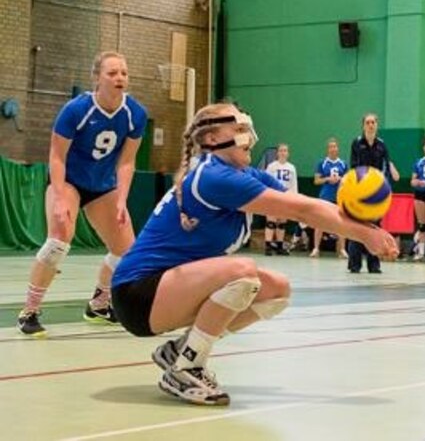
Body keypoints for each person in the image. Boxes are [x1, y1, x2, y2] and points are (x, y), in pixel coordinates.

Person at [111, 103, 399, 406]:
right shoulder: (215, 177)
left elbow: (307, 205)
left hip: (170, 288)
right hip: (137, 295)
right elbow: (300, 210)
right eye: (237, 130)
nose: (247, 135)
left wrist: (369, 229)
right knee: (242, 272)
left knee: (276, 289)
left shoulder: (244, 174)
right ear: (211, 140)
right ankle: (186, 369)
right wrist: (367, 235)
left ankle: (182, 349)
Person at [16, 51, 147, 337]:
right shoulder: (76, 109)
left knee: (127, 249)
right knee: (59, 240)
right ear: (97, 78)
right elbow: (57, 156)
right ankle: (30, 311)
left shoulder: (135, 113)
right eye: (112, 73)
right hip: (70, 182)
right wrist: (61, 197)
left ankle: (99, 304)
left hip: (103, 187)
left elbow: (126, 162)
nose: (120, 78)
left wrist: (122, 199)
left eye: (124, 73)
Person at [347, 113, 400, 273]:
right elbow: (354, 167)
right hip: (360, 190)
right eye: (368, 122)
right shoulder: (356, 143)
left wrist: (382, 186)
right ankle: (354, 264)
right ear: (363, 125)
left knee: (375, 227)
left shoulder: (382, 145)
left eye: (373, 122)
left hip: (377, 192)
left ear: (377, 125)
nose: (370, 125)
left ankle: (374, 264)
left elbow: (386, 166)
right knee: (357, 226)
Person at [311, 137, 349, 258]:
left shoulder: (343, 163)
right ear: (328, 149)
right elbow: (316, 180)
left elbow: (348, 180)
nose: (333, 149)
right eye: (331, 147)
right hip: (325, 196)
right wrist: (328, 179)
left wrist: (340, 179)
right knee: (320, 222)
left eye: (335, 146)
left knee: (341, 223)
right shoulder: (322, 163)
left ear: (338, 148)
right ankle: (316, 248)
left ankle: (342, 249)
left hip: (339, 196)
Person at [263, 143, 298, 256]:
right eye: (281, 151)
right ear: (277, 153)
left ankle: (279, 246)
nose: (283, 153)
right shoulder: (271, 166)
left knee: (282, 223)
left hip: (285, 197)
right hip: (273, 196)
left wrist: (294, 197)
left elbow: (293, 184)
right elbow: (266, 181)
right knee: (271, 222)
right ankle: (268, 246)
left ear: (288, 153)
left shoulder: (291, 167)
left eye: (285, 151)